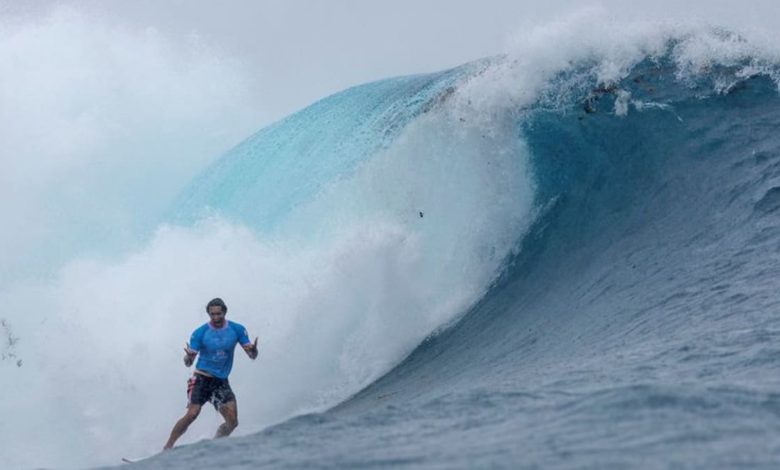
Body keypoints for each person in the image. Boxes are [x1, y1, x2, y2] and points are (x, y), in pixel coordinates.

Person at [163, 297, 258, 450]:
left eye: (218, 314)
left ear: (224, 312)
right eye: (212, 314)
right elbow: (188, 363)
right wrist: (188, 357)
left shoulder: (237, 329)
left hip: (220, 382)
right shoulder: (200, 333)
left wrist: (254, 351)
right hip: (201, 379)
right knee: (192, 414)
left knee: (232, 421)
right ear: (208, 314)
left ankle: (215, 445)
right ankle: (167, 448)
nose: (216, 318)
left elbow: (252, 356)